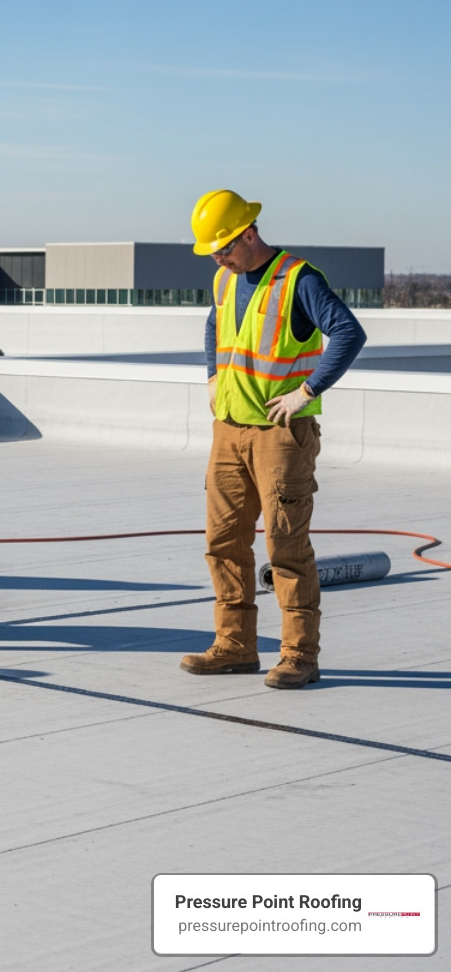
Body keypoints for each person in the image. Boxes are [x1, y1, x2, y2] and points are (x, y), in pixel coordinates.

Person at [182, 189, 366, 689]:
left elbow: (349, 333)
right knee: (223, 543)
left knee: (286, 547)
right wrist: (212, 377)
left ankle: (299, 656)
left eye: (223, 247)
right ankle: (234, 646)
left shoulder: (298, 279)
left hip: (281, 437)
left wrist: (306, 391)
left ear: (248, 233)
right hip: (229, 431)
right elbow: (214, 326)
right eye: (213, 252)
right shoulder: (226, 278)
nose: (218, 258)